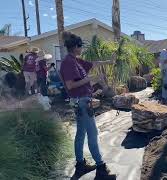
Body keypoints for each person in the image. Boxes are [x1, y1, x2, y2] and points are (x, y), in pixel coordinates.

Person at [59, 32, 116, 180]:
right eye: (81, 46)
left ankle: (80, 165)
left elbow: (94, 63)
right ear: (76, 47)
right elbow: (70, 85)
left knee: (81, 133)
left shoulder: (76, 61)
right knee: (92, 134)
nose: (82, 48)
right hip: (81, 102)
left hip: (82, 101)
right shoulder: (68, 63)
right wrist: (90, 79)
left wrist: (109, 62)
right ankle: (101, 168)